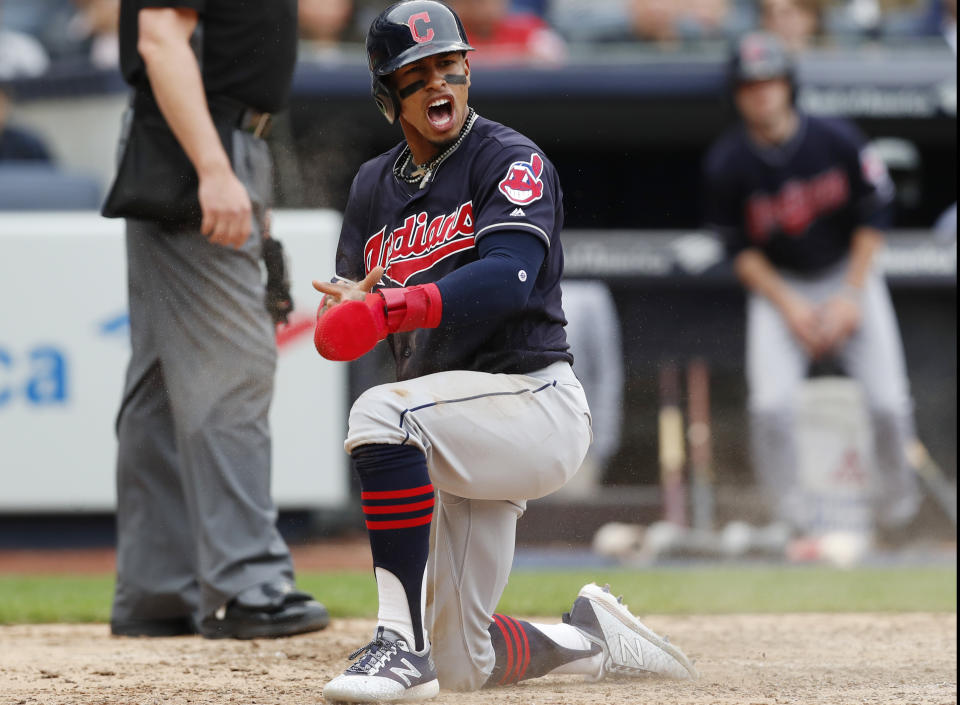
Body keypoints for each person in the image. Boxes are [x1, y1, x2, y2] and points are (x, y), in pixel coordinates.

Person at [312, 2, 697, 702]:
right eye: (417, 72)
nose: (439, 84)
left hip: (530, 402)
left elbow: (507, 278)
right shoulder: (373, 187)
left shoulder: (508, 157)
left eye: (449, 66)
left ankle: (398, 643)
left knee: (379, 414)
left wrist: (395, 306)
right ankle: (591, 637)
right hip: (451, 422)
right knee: (466, 663)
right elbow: (344, 319)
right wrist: (343, 316)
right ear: (387, 93)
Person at [105, 0, 328, 640]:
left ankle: (158, 589)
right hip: (197, 138)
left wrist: (237, 167)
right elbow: (159, 38)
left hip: (212, 135)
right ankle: (244, 583)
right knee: (234, 366)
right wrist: (214, 167)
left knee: (160, 380)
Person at [702, 32, 922, 540]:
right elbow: (739, 250)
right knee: (771, 407)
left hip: (850, 274)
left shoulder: (836, 137)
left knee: (889, 403)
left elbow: (876, 214)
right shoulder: (727, 163)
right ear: (738, 94)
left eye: (771, 81)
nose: (762, 92)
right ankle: (792, 521)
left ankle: (900, 514)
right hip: (781, 288)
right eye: (751, 84)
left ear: (788, 85)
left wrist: (849, 295)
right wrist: (791, 306)